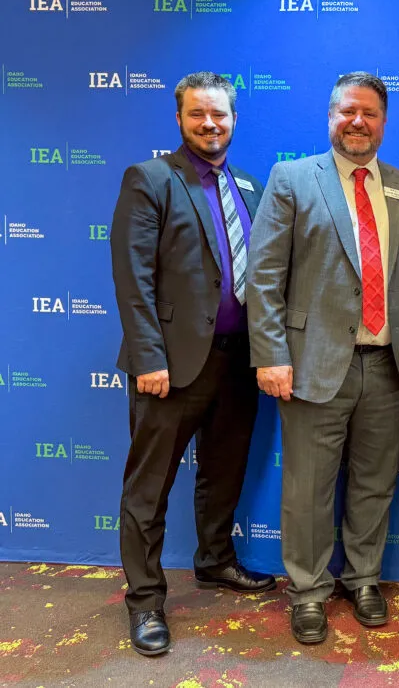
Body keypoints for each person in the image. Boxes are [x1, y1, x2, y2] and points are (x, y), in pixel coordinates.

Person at [246, 71, 399, 645]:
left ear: (384, 122)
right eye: (348, 111)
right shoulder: (292, 178)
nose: (358, 122)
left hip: (389, 366)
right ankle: (307, 590)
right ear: (330, 116)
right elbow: (263, 275)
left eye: (369, 113)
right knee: (307, 488)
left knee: (374, 483)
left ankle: (364, 577)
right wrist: (271, 354)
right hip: (310, 364)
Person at [110, 71, 275, 656]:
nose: (210, 124)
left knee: (224, 471)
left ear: (234, 119)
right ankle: (145, 600)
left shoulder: (250, 186)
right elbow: (133, 277)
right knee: (149, 487)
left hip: (238, 362)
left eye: (220, 114)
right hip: (170, 368)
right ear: (179, 118)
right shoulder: (151, 179)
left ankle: (215, 560)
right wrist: (148, 357)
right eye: (198, 114)